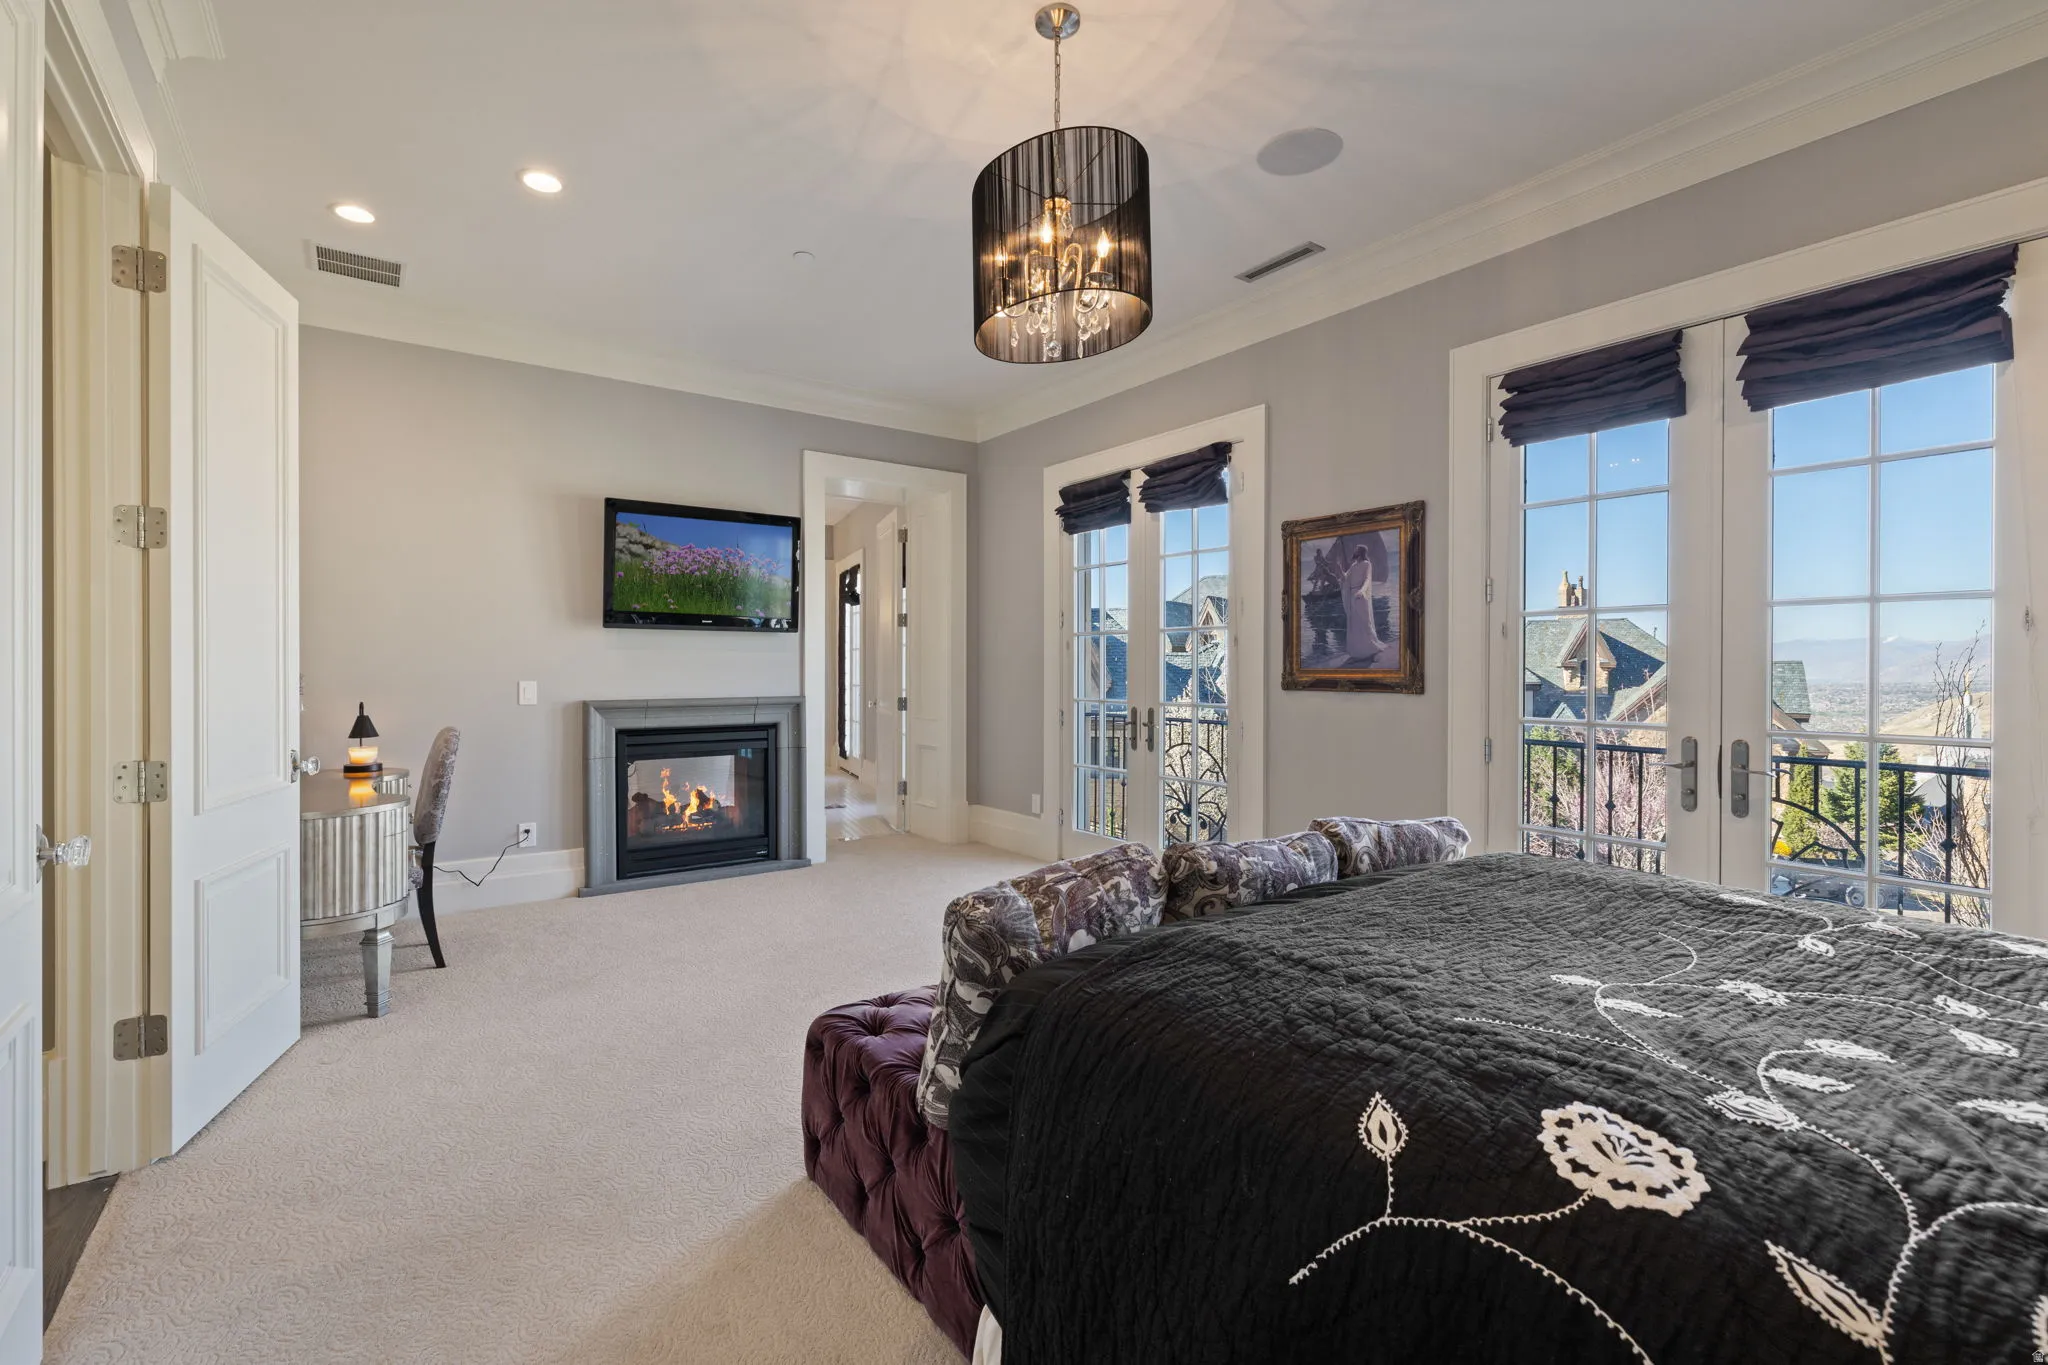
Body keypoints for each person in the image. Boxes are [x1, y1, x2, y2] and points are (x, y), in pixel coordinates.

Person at [1342, 544, 1382, 664]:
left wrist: (1362, 591)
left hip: (1361, 596)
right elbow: (1345, 578)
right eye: (1355, 549)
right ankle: (1358, 653)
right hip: (1352, 596)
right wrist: (1339, 570)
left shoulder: (1367, 564)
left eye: (1357, 550)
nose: (1355, 551)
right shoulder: (1354, 566)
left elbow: (1367, 579)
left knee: (1365, 623)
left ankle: (1372, 651)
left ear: (1361, 552)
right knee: (1355, 625)